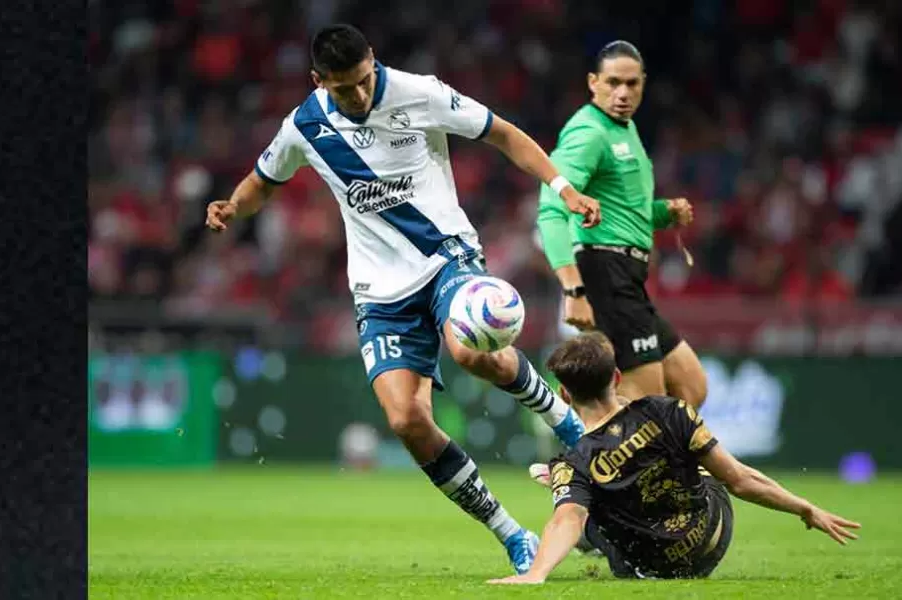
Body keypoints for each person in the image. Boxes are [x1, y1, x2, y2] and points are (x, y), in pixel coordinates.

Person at [203, 24, 603, 575]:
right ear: (320, 81)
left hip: (445, 257)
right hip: (379, 291)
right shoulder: (304, 126)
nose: (360, 96)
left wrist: (564, 188)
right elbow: (261, 181)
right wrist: (231, 206)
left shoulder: (420, 93)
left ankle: (566, 422)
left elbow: (503, 134)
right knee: (405, 419)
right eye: (344, 90)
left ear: (375, 61)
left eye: (365, 81)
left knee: (468, 348)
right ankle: (513, 534)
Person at [488, 332, 861, 584]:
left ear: (565, 396)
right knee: (693, 458)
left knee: (583, 501)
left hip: (653, 569)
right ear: (617, 377)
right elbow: (739, 480)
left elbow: (566, 520)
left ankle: (578, 496)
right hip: (713, 536)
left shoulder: (577, 462)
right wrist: (805, 508)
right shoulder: (669, 410)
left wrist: (536, 574)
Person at [535, 41, 708, 411]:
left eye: (632, 84)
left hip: (627, 278)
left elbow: (626, 211)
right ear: (593, 82)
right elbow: (551, 208)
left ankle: (610, 457)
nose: (623, 93)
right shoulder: (589, 132)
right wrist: (573, 290)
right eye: (613, 82)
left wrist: (664, 213)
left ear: (643, 83)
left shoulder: (623, 131)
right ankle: (586, 462)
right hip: (603, 274)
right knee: (646, 403)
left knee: (691, 387)